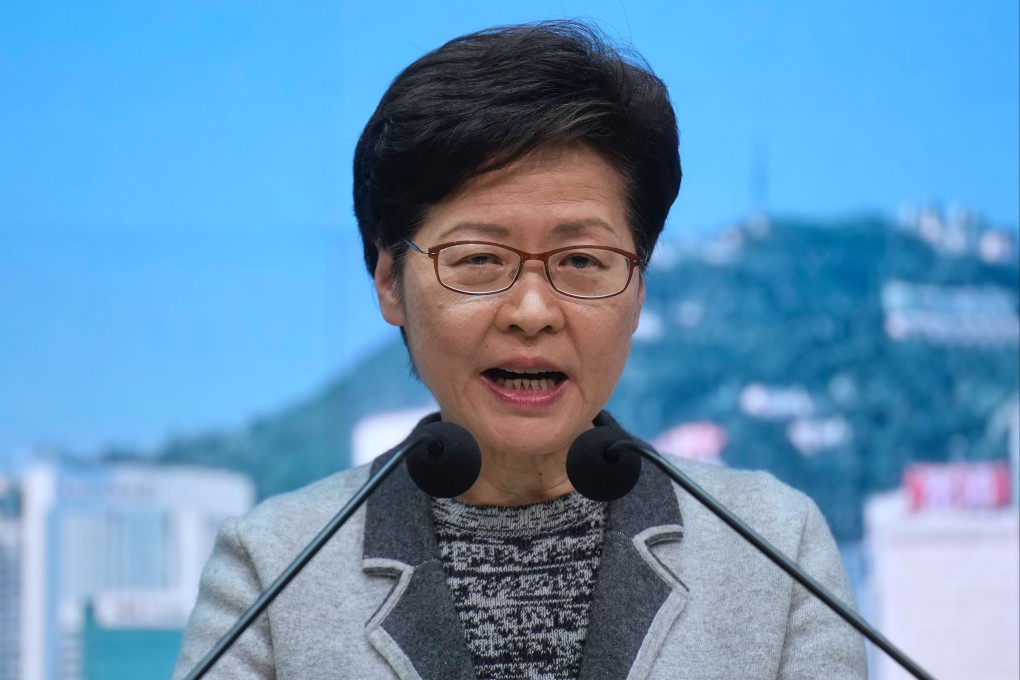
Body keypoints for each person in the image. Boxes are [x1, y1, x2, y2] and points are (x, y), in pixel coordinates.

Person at [173, 21, 867, 680]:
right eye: (478, 259)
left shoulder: (774, 549)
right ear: (389, 281)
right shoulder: (274, 566)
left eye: (583, 261)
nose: (532, 312)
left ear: (639, 286)